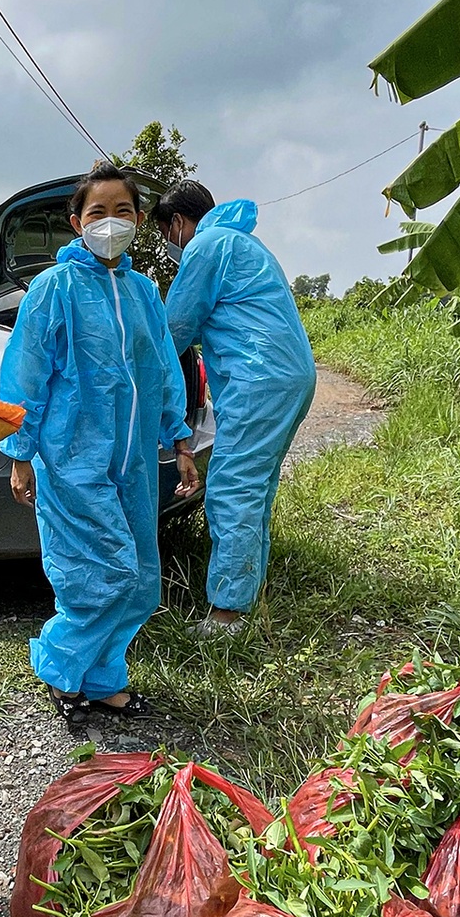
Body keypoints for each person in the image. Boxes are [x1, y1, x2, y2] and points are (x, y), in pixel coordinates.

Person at [0, 160, 201, 727]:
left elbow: (162, 367)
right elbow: (26, 376)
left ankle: (103, 679)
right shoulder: (52, 289)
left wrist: (180, 439)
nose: (109, 222)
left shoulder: (140, 292)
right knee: (98, 572)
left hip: (132, 459)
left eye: (121, 211)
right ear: (75, 221)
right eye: (97, 212)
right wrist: (20, 454)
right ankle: (61, 668)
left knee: (138, 576)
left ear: (137, 219)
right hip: (69, 459)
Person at [156, 182, 316, 634]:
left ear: (180, 224)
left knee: (232, 489)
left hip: (257, 379)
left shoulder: (205, 246)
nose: (169, 246)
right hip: (287, 376)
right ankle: (248, 602)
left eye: (166, 234)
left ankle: (227, 615)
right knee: (255, 490)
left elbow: (175, 328)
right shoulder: (243, 242)